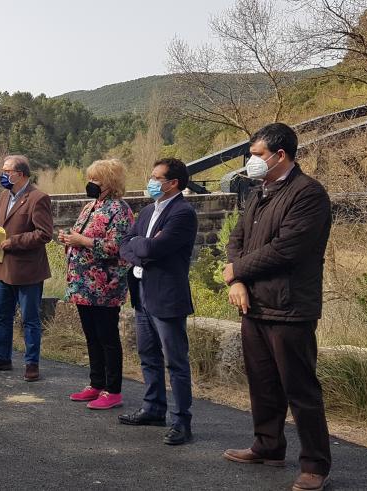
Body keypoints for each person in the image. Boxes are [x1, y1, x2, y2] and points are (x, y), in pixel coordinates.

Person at [221, 123, 333, 491]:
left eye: (256, 155)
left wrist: (236, 269)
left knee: (300, 389)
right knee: (262, 383)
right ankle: (268, 446)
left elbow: (287, 248)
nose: (251, 161)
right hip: (254, 305)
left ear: (279, 155)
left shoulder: (308, 194)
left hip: (290, 307)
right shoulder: (259, 193)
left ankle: (315, 464)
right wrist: (236, 279)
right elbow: (237, 239)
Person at [118, 157, 198, 446]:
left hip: (166, 296)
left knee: (175, 361)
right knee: (147, 355)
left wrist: (140, 245)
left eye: (156, 177)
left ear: (172, 183)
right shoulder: (148, 210)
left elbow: (156, 247)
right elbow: (125, 244)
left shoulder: (183, 213)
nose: (150, 182)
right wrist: (142, 246)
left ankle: (182, 421)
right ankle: (153, 408)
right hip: (142, 293)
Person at [59, 159, 134, 410]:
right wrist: (69, 239)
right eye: (90, 178)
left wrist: (83, 240)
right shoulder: (90, 205)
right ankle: (96, 383)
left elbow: (118, 246)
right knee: (91, 336)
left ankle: (113, 390)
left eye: (96, 180)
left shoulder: (119, 209)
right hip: (82, 283)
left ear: (109, 183)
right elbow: (82, 237)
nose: (90, 184)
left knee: (107, 337)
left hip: (104, 285)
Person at [0, 155, 53, 381]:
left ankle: (32, 363)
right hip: (3, 267)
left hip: (28, 271)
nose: (2, 174)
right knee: (2, 316)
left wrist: (14, 241)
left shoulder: (37, 198)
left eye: (6, 170)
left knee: (29, 319)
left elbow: (44, 234)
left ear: (19, 174)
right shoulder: (3, 197)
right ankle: (2, 357)